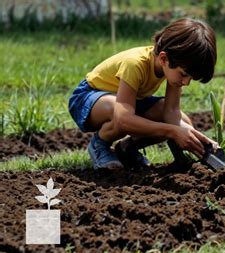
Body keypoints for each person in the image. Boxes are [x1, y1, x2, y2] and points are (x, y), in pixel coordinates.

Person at [68, 18, 217, 169]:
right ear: (164, 58)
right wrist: (172, 131)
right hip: (87, 98)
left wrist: (194, 137)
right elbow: (123, 119)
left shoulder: (173, 67)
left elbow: (171, 112)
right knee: (118, 112)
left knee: (182, 121)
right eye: (184, 74)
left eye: (191, 77)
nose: (186, 82)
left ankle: (127, 148)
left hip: (127, 101)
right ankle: (99, 145)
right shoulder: (135, 64)